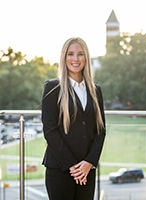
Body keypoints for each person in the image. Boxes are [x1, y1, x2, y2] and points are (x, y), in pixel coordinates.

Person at [41, 37, 106, 200]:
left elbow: (100, 131)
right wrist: (72, 166)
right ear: (64, 57)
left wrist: (89, 162)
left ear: (86, 58)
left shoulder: (95, 90)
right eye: (70, 54)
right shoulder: (52, 88)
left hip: (87, 170)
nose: (75, 59)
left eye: (80, 54)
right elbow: (50, 131)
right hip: (59, 168)